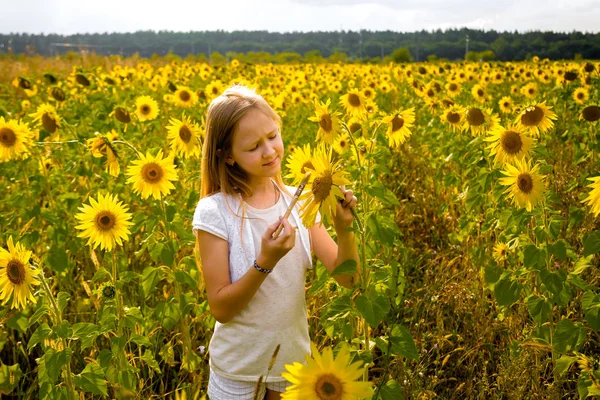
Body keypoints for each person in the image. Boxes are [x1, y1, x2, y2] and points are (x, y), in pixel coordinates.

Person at [192, 85, 360, 400]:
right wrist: (265, 262)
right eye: (254, 146)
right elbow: (221, 308)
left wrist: (343, 227)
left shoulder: (301, 205)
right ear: (226, 156)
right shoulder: (216, 212)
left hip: (292, 370)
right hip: (238, 375)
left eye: (272, 136)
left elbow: (347, 277)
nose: (269, 151)